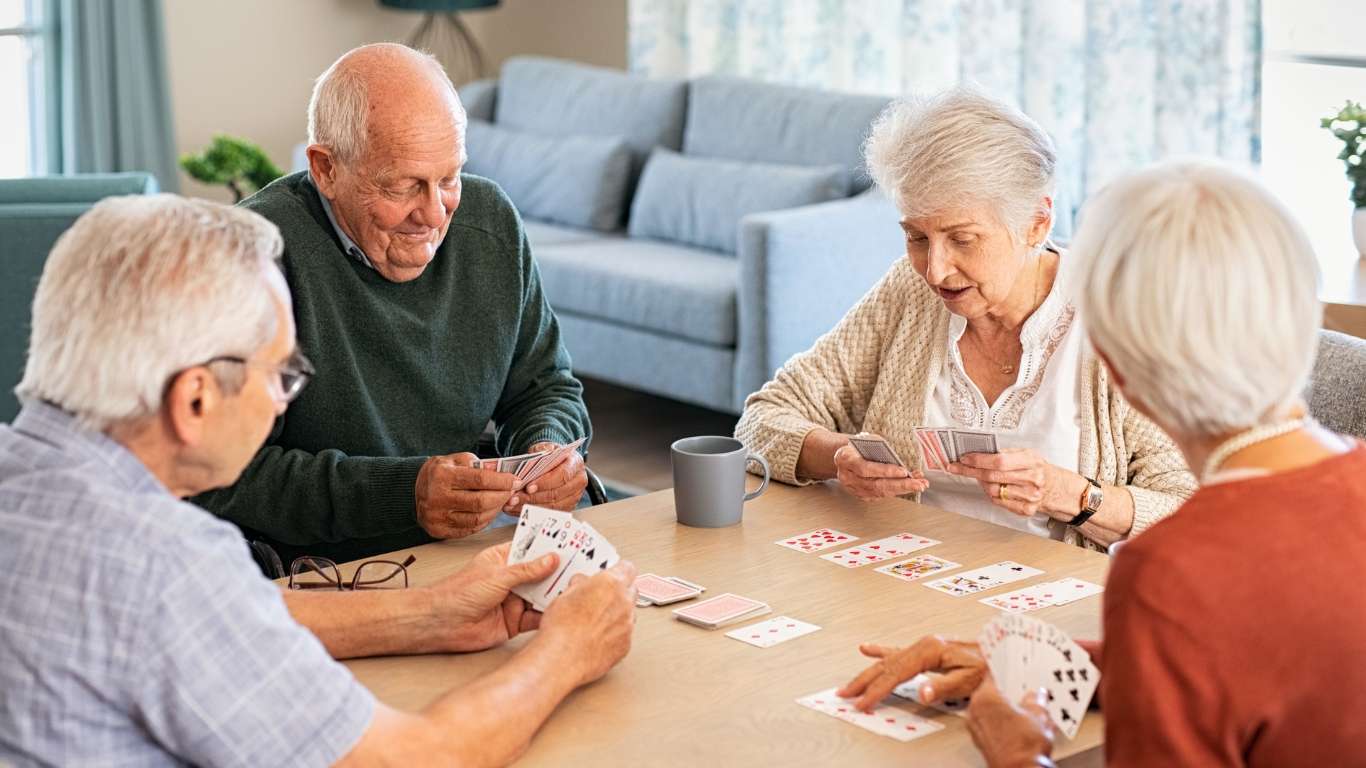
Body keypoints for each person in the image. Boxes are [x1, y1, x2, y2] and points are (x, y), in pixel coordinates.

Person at [0, 195, 638, 766]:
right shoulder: (166, 563)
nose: (283, 401)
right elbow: (417, 759)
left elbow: (224, 619)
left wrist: (431, 614)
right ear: (194, 401)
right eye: (280, 375)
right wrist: (568, 653)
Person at [837, 161, 1366, 766]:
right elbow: (1269, 659)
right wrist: (1043, 662)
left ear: (1115, 370)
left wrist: (1015, 753)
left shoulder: (1173, 572)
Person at [734, 87, 1195, 549]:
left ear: (1037, 222)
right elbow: (760, 421)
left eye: (962, 239)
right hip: (905, 579)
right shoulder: (912, 292)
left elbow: (1192, 510)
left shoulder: (1119, 316)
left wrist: (1071, 496)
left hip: (1056, 602)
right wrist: (837, 457)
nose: (935, 270)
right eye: (916, 236)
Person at [194, 43, 590, 564]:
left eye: (448, 179)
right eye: (403, 186)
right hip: (313, 574)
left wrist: (547, 450)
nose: (433, 213)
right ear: (325, 169)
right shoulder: (250, 256)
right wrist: (403, 495)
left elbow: (546, 385)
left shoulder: (489, 221)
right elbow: (221, 475)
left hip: (469, 550)